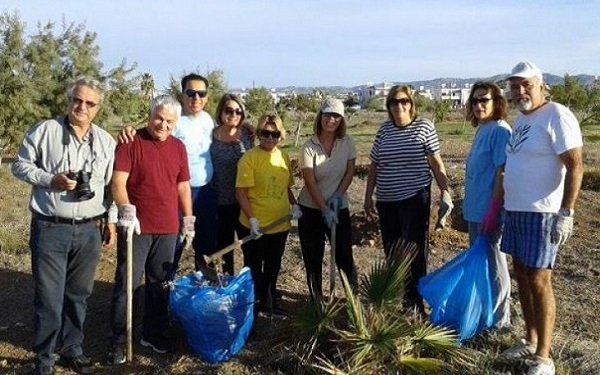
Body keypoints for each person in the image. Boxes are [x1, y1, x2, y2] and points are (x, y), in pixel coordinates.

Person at [12, 77, 116, 375]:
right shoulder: (46, 130)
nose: (81, 107)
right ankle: (44, 358)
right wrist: (50, 180)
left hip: (89, 230)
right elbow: (19, 165)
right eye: (77, 100)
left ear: (98, 107)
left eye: (90, 103)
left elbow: (109, 186)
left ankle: (73, 349)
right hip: (50, 227)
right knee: (49, 296)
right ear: (69, 100)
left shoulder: (106, 141)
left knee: (79, 295)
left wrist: (107, 219)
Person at [500, 62, 583, 375]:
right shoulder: (522, 119)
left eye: (526, 85)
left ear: (541, 85)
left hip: (543, 213)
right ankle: (530, 339)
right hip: (517, 209)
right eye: (515, 85)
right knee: (521, 274)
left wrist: (567, 211)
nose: (520, 91)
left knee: (539, 279)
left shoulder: (556, 114)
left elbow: (575, 165)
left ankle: (544, 358)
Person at [107, 95, 194, 365]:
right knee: (128, 283)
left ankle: (153, 333)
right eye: (159, 118)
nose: (163, 125)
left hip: (167, 227)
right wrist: (126, 210)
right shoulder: (131, 143)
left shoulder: (178, 147)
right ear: (150, 114)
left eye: (170, 121)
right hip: (137, 227)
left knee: (160, 284)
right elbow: (118, 182)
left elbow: (183, 186)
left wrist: (188, 219)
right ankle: (119, 340)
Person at [363, 85, 453, 313]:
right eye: (394, 102)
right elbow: (374, 165)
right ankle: (397, 297)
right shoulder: (384, 130)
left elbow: (435, 162)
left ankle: (414, 305)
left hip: (414, 198)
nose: (399, 106)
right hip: (386, 200)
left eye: (404, 101)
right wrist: (367, 196)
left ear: (411, 104)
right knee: (392, 251)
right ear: (389, 106)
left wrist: (445, 191)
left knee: (414, 251)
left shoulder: (424, 127)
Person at [117, 73, 216, 276]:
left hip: (203, 191)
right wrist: (127, 130)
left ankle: (200, 297)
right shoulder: (172, 119)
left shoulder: (208, 120)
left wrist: (246, 128)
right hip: (172, 195)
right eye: (191, 92)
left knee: (204, 246)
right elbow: (148, 131)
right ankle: (164, 284)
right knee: (172, 251)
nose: (196, 97)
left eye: (201, 93)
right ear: (183, 94)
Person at [235, 114, 301, 318]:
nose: (269, 138)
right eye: (265, 133)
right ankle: (252, 307)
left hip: (279, 225)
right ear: (258, 134)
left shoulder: (284, 157)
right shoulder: (249, 158)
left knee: (274, 265)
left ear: (281, 135)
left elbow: (287, 187)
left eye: (274, 133)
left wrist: (295, 205)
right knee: (254, 267)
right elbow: (241, 192)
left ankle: (270, 300)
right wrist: (252, 219)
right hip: (255, 227)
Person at [463, 81, 512, 329]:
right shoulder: (482, 129)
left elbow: (502, 173)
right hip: (475, 210)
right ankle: (485, 316)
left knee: (494, 263)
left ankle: (501, 321)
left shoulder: (500, 131)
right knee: (482, 264)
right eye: (475, 100)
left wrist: (494, 209)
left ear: (497, 103)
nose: (479, 105)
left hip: (489, 212)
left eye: (485, 100)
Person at [297, 98, 357, 300]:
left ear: (341, 119)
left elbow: (349, 172)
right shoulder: (309, 146)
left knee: (344, 257)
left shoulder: (347, 142)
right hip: (311, 209)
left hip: (339, 207)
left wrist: (337, 198)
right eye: (328, 114)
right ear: (320, 116)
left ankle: (352, 300)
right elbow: (310, 182)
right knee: (313, 259)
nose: (331, 119)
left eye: (336, 116)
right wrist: (324, 209)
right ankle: (317, 303)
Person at [210, 93, 254, 275]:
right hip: (220, 202)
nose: (234, 114)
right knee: (224, 249)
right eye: (229, 110)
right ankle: (226, 286)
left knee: (250, 249)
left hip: (244, 202)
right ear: (221, 112)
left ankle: (250, 289)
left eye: (238, 111)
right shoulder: (210, 136)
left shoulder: (248, 136)